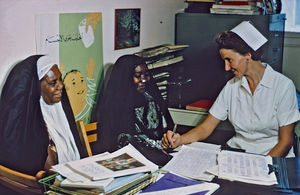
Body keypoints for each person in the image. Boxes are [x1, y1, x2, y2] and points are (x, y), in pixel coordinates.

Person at [162, 21, 300, 158]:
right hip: (239, 156)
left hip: (272, 160)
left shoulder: (283, 86)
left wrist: (262, 166)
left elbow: (286, 141)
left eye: (229, 60)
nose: (226, 67)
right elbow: (205, 128)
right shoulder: (232, 86)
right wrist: (179, 140)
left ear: (248, 56)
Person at [0, 55, 87, 177]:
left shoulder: (59, 112)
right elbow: (47, 174)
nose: (61, 86)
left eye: (60, 79)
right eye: (53, 82)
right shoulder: (30, 132)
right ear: (36, 87)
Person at [92, 54, 174, 165]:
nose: (144, 80)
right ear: (125, 77)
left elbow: (167, 126)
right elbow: (116, 145)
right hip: (131, 162)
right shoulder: (114, 106)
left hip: (161, 155)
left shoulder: (151, 98)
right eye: (138, 75)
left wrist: (168, 139)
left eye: (146, 75)